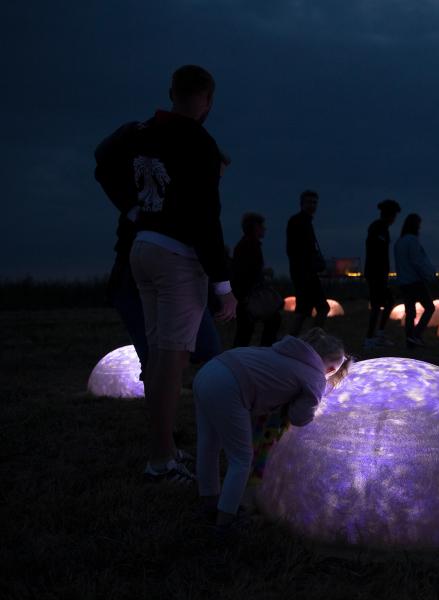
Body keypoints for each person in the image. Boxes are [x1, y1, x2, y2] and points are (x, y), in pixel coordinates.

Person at [128, 65, 237, 484]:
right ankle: (160, 460)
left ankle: (165, 449)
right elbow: (205, 216)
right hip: (176, 256)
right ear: (207, 101)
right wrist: (223, 285)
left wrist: (132, 207)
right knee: (171, 361)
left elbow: (104, 158)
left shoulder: (143, 132)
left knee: (158, 355)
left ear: (172, 91)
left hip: (144, 247)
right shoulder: (199, 142)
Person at [95, 122, 224, 374]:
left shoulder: (166, 201)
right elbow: (203, 232)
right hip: (149, 272)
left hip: (155, 271)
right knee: (167, 351)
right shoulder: (160, 202)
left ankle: (167, 385)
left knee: (175, 350)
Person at [193, 328, 350, 528]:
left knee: (208, 446)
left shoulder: (284, 351)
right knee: (241, 459)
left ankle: (208, 501)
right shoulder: (315, 376)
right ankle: (226, 520)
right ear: (330, 370)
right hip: (231, 388)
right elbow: (300, 417)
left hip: (209, 370)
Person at [232, 212, 281, 347]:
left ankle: (253, 355)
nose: (264, 229)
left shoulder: (247, 245)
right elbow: (246, 272)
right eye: (261, 226)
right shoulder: (249, 245)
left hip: (246, 295)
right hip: (248, 296)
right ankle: (263, 353)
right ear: (254, 227)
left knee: (246, 331)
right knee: (247, 331)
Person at [286, 190, 329, 336]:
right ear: (302, 204)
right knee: (317, 308)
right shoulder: (298, 222)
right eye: (309, 202)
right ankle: (311, 341)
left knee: (305, 310)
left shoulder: (304, 221)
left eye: (314, 202)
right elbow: (294, 251)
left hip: (305, 273)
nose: (312, 205)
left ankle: (300, 342)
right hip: (305, 274)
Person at [394, 214, 436, 348]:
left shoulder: (399, 242)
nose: (420, 228)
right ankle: (416, 335)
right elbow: (417, 261)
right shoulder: (412, 240)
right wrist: (427, 275)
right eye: (419, 225)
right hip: (415, 280)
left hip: (404, 282)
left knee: (410, 312)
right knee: (430, 307)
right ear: (414, 226)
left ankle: (410, 340)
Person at [364, 199, 402, 348]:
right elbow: (376, 252)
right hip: (376, 273)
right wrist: (380, 272)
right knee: (376, 304)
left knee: (388, 301)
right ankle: (370, 339)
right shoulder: (378, 228)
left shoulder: (382, 228)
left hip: (378, 273)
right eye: (393, 216)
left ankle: (378, 334)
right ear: (389, 215)